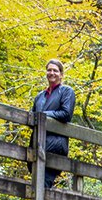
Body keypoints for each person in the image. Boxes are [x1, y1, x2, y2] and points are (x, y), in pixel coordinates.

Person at [30, 58, 76, 189]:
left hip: (55, 144)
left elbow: (66, 114)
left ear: (61, 74)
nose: (52, 73)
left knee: (44, 181)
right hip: (38, 142)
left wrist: (43, 115)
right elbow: (32, 116)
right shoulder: (40, 96)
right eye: (49, 70)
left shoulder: (66, 91)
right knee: (37, 181)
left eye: (55, 70)